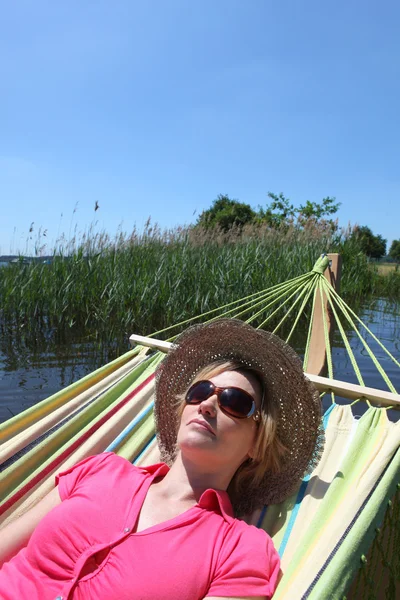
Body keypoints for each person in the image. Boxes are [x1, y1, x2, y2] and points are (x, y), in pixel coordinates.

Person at [0, 319, 324, 599]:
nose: (208, 404)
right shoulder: (101, 470)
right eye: (200, 391)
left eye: (234, 402)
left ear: (257, 444)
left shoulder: (239, 550)